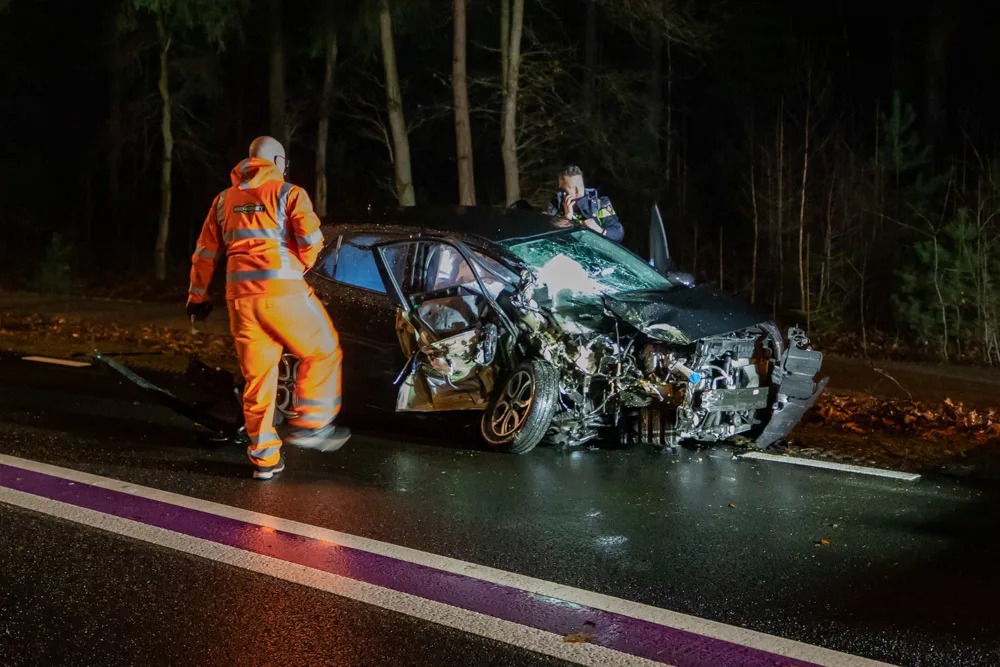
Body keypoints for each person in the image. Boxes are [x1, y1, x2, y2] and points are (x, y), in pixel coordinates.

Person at [186, 135, 350, 480]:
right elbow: (312, 240)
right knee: (323, 352)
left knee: (258, 379)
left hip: (241, 301)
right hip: (283, 294)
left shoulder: (222, 201)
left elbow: (204, 253)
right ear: (277, 161)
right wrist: (298, 266)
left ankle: (264, 460)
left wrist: (197, 298)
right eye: (284, 163)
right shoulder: (288, 193)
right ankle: (312, 424)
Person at [545, 165, 624, 243]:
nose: (578, 191)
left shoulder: (600, 203)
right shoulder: (553, 207)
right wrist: (567, 217)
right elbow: (548, 236)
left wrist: (600, 230)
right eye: (573, 187)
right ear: (562, 189)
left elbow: (618, 233)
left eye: (580, 186)